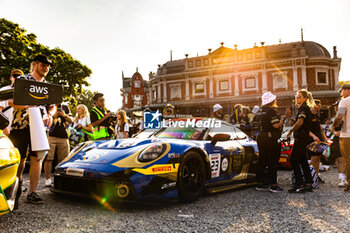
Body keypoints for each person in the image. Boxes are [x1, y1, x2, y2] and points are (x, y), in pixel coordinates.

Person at [8, 55, 52, 204]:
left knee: (37, 158)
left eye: (47, 66)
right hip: (21, 125)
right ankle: (16, 185)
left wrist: (51, 114)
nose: (45, 68)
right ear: (35, 65)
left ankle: (32, 193)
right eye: (43, 65)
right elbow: (10, 101)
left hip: (39, 126)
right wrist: (27, 105)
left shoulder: (47, 85)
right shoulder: (22, 80)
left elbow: (53, 104)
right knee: (19, 158)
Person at [287, 89, 319, 193]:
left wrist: (290, 131)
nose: (297, 98)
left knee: (293, 159)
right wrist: (291, 119)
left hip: (301, 137)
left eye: (299, 96)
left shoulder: (303, 108)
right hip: (303, 137)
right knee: (302, 160)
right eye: (296, 96)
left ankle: (299, 184)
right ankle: (308, 183)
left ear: (305, 98)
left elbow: (300, 122)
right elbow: (299, 122)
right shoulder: (304, 108)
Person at [255, 92, 285, 192]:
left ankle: (259, 183)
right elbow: (276, 125)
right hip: (270, 137)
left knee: (262, 160)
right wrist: (282, 119)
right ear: (272, 101)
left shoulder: (259, 111)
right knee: (273, 161)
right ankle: (273, 185)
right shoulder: (272, 111)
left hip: (260, 136)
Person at [44, 103, 73, 187]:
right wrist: (54, 116)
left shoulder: (65, 107)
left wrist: (64, 115)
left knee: (63, 159)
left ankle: (61, 178)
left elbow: (72, 120)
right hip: (51, 135)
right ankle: (47, 179)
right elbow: (44, 119)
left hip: (63, 136)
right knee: (49, 158)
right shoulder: (48, 106)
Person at [332, 83, 350, 192]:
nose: (341, 93)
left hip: (347, 135)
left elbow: (339, 117)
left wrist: (334, 125)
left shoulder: (344, 101)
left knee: (347, 160)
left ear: (347, 90)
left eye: (342, 91)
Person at [0, 69, 24, 136]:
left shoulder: (23, 94)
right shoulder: (4, 90)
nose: (17, 79)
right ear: (11, 78)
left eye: (20, 77)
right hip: (4, 130)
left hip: (16, 130)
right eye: (15, 76)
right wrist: (4, 128)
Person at [309, 99, 328, 181]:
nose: (320, 106)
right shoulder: (309, 115)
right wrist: (314, 137)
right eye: (318, 105)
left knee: (318, 158)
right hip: (313, 140)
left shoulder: (316, 115)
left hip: (319, 140)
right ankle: (309, 175)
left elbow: (320, 128)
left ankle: (315, 177)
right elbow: (307, 130)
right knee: (314, 158)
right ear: (313, 105)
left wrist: (324, 138)